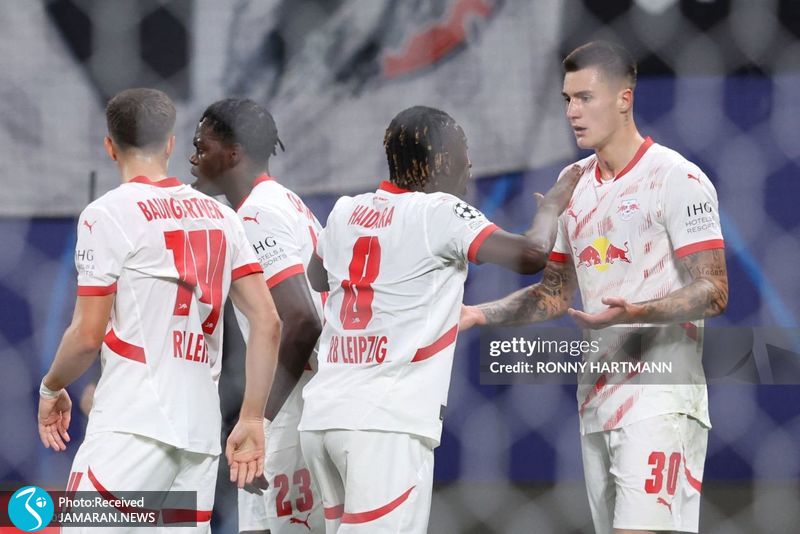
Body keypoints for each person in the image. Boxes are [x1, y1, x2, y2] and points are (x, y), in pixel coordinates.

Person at [460, 41, 728, 534]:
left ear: (624, 99)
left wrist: (637, 311)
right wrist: (478, 313)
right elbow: (553, 295)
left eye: (585, 98)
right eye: (567, 99)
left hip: (661, 398)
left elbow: (714, 290)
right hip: (597, 402)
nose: (572, 112)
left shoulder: (677, 178)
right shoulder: (573, 182)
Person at [298, 105, 581, 533]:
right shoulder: (439, 212)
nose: (470, 165)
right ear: (443, 160)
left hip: (323, 417)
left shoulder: (344, 211)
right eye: (464, 153)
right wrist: (551, 209)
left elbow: (318, 276)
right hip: (386, 424)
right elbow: (530, 255)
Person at [37, 88, 282, 532]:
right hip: (199, 436)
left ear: (109, 146)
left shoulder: (107, 214)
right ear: (170, 143)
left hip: (132, 426)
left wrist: (51, 387)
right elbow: (268, 321)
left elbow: (87, 336)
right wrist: (251, 417)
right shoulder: (222, 217)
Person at [190, 98, 325, 533]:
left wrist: (258, 418)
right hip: (297, 402)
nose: (193, 159)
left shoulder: (257, 213)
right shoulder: (285, 202)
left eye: (201, 146)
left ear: (233, 153)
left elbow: (303, 319)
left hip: (295, 406)